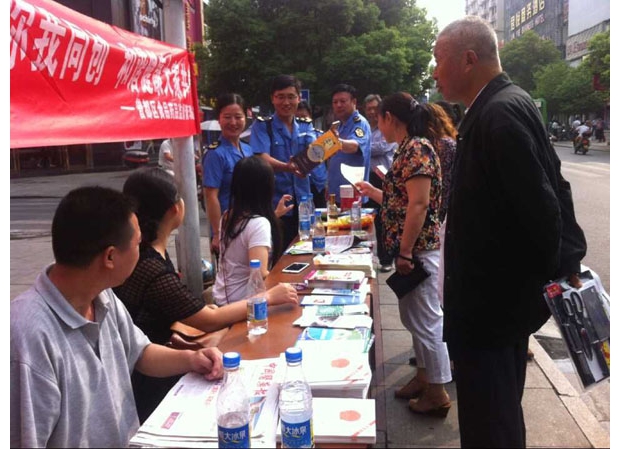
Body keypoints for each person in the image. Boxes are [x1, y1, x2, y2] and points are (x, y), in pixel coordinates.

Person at [433, 16, 586, 447]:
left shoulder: (499, 114)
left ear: (468, 59)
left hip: (491, 308)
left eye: (439, 59)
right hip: (495, 306)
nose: (434, 72)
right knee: (495, 415)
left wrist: (541, 280)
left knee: (491, 423)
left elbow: (543, 208)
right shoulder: (502, 104)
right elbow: (556, 186)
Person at [10, 186, 224, 448]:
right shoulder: (27, 337)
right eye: (138, 244)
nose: (142, 251)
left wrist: (192, 359)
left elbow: (140, 352)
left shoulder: (102, 296)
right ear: (110, 256)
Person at [114, 167, 299, 422]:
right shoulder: (149, 266)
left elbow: (174, 310)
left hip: (159, 356)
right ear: (175, 209)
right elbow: (208, 320)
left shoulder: (154, 253)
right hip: (151, 376)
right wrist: (267, 297)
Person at [355, 93, 452, 417]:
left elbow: (419, 204)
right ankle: (424, 377)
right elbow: (401, 200)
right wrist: (373, 192)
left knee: (427, 320)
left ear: (390, 118)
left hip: (419, 250)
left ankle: (438, 391)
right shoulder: (408, 148)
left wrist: (407, 252)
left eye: (379, 119)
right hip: (411, 249)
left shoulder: (417, 149)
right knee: (414, 318)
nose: (377, 127)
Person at [250, 75, 318, 248]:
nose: (286, 102)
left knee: (306, 250)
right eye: (280, 97)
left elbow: (315, 152)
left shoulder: (306, 125)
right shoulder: (263, 126)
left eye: (291, 97)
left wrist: (330, 142)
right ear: (272, 98)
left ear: (299, 98)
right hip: (275, 205)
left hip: (303, 203)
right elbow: (261, 158)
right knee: (278, 252)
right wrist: (287, 167)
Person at [212, 156, 288, 305]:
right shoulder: (259, 223)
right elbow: (260, 274)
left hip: (222, 297)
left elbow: (246, 234)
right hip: (244, 305)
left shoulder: (228, 215)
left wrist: (274, 215)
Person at [202, 93, 254, 255]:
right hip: (228, 228)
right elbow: (211, 196)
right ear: (219, 119)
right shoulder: (215, 154)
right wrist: (217, 233)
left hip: (251, 223)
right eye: (227, 117)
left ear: (246, 117)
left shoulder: (248, 150)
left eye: (238, 117)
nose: (233, 122)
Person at [362, 93, 397, 272]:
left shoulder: (387, 128)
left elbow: (382, 147)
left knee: (385, 220)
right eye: (369, 109)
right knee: (368, 219)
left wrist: (360, 146)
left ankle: (387, 259)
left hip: (384, 178)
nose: (372, 112)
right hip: (368, 177)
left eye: (375, 108)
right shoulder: (365, 128)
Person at [328, 84, 371, 203]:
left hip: (353, 196)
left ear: (354, 102)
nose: (338, 105)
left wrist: (335, 141)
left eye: (343, 101)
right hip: (336, 193)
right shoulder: (339, 126)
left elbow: (354, 146)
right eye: (335, 102)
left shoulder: (359, 123)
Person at [297, 100, 328, 208]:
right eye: (297, 118)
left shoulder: (320, 136)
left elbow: (328, 162)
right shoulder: (292, 139)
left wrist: (327, 183)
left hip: (319, 185)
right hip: (301, 184)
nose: (301, 121)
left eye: (304, 117)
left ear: (310, 117)